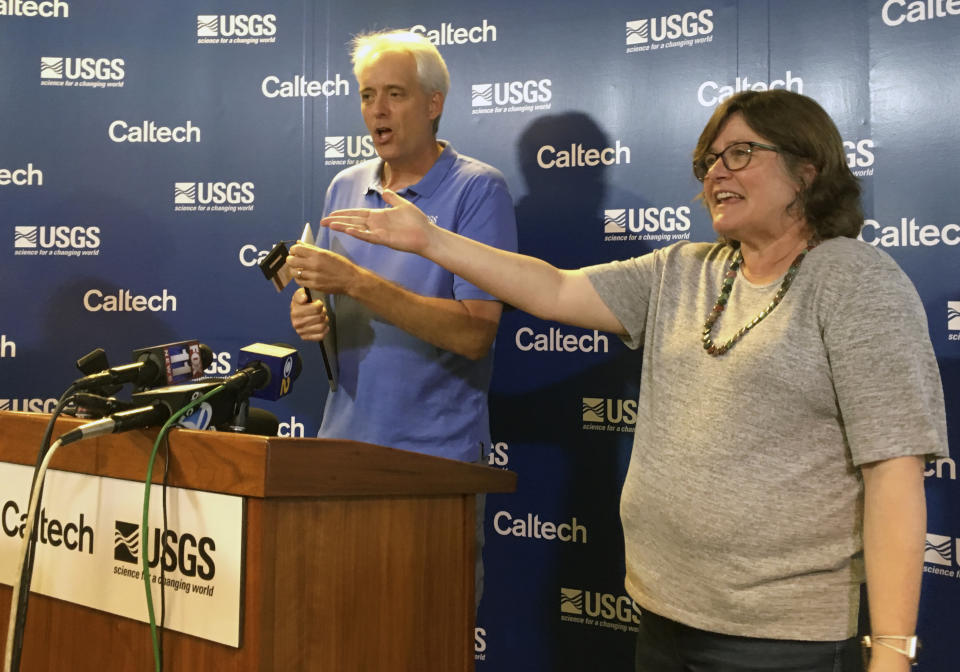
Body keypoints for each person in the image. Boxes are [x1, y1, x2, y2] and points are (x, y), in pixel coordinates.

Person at [318, 89, 948, 672]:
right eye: (708, 161)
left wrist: (891, 649)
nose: (716, 174)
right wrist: (432, 242)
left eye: (739, 154)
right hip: (663, 619)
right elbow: (552, 287)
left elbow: (893, 474)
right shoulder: (685, 269)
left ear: (808, 170)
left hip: (783, 641)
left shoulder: (856, 283)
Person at [287, 29, 517, 461]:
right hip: (340, 442)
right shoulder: (345, 185)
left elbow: (474, 334)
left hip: (434, 456)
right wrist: (312, 312)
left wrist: (357, 283)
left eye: (395, 94)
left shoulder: (479, 189)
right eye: (367, 95)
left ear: (434, 104)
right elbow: (333, 304)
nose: (378, 110)